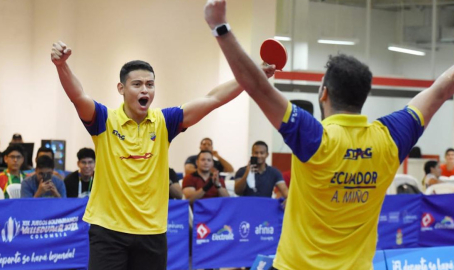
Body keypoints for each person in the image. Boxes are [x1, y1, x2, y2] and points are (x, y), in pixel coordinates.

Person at [204, 1, 453, 268]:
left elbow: (257, 87)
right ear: (364, 95)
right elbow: (440, 91)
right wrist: (221, 29)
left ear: (323, 93)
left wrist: (219, 26)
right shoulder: (388, 139)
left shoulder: (314, 138)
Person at [50, 40, 274, 270]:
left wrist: (252, 76)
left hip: (152, 232)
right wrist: (61, 66)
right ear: (121, 88)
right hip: (108, 231)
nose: (144, 89)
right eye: (137, 84)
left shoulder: (164, 122)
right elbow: (78, 96)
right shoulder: (104, 120)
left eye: (150, 84)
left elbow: (212, 99)